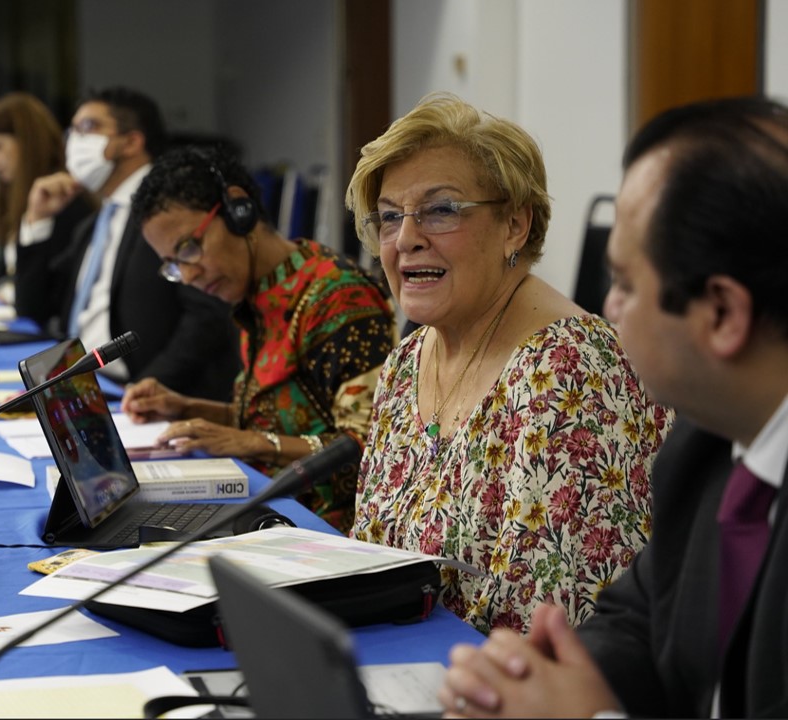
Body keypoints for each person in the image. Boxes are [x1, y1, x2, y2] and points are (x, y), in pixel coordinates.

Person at [437, 96, 788, 719]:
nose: (610, 310)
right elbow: (640, 620)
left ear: (724, 314)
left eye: (625, 284)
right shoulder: (704, 445)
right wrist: (547, 675)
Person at [344, 93, 672, 633]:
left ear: (515, 226)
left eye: (440, 210)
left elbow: (555, 626)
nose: (405, 239)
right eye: (388, 217)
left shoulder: (569, 370)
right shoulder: (409, 358)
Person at [123, 146, 395, 532]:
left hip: (325, 530)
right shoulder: (260, 295)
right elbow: (278, 419)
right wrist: (185, 408)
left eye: (188, 248)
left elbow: (370, 445)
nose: (187, 275)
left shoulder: (336, 296)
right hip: (270, 509)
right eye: (173, 264)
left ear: (239, 209)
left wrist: (251, 443)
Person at [21, 87, 239, 400]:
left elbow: (207, 317)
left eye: (89, 128)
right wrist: (37, 220)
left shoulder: (176, 207)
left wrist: (147, 389)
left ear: (132, 142)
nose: (74, 142)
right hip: (83, 385)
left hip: (141, 393)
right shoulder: (95, 222)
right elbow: (33, 308)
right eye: (73, 130)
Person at [0, 92, 96, 327]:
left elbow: (44, 303)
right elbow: (6, 272)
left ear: (28, 144)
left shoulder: (65, 202)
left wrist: (36, 221)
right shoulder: (13, 194)